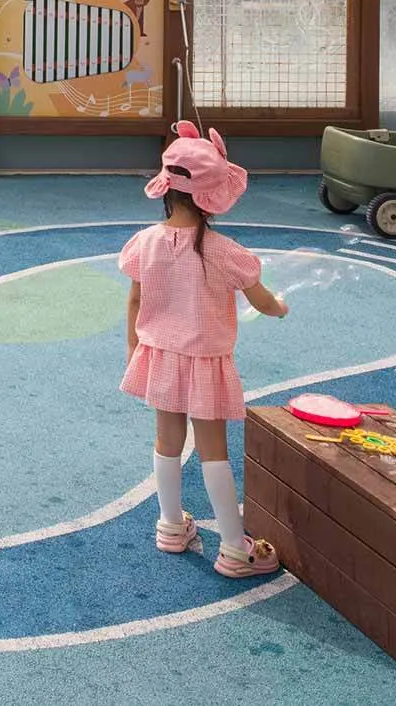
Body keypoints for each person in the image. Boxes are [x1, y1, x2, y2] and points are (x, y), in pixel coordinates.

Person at [119, 121, 289, 577]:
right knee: (214, 450)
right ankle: (235, 548)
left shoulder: (145, 243)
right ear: (213, 198)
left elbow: (135, 299)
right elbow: (262, 298)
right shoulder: (224, 251)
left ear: (167, 189)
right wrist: (279, 308)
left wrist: (135, 345)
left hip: (158, 354)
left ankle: (171, 525)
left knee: (166, 440)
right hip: (204, 363)